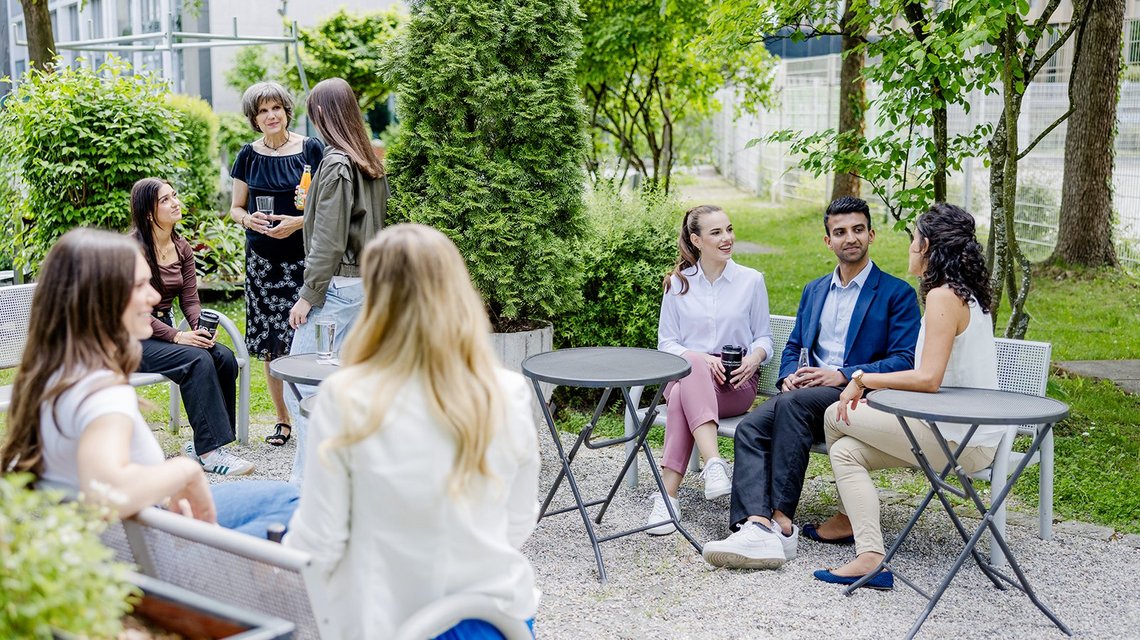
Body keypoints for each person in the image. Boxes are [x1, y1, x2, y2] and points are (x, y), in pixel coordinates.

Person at [284, 224, 539, 639]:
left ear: (377, 299)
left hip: (387, 622)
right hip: (495, 619)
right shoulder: (507, 391)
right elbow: (518, 520)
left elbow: (319, 542)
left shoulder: (346, 397)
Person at [0, 228, 298, 537]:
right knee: (292, 502)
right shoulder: (101, 394)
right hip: (158, 547)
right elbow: (107, 493)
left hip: (134, 535)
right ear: (100, 297)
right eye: (140, 285)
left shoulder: (50, 376)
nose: (155, 297)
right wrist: (186, 470)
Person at [701, 196, 922, 570]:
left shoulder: (896, 294)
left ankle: (781, 521)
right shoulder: (815, 290)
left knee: (792, 406)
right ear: (828, 241)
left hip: (855, 395)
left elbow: (905, 359)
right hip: (805, 394)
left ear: (871, 235)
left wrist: (844, 373)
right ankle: (754, 523)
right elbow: (793, 346)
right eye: (839, 232)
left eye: (856, 230)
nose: (849, 238)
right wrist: (788, 375)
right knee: (751, 428)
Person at [811, 203, 1000, 590]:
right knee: (846, 451)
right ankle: (870, 557)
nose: (911, 247)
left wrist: (863, 379)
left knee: (835, 413)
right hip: (959, 431)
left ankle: (850, 520)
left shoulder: (944, 297)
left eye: (914, 240)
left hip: (959, 439)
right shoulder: (966, 293)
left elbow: (928, 378)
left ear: (927, 245)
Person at [645, 204, 773, 535]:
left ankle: (667, 497)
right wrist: (702, 359)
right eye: (716, 232)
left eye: (729, 229)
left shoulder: (751, 281)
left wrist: (754, 359)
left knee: (678, 398)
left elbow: (763, 338)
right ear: (696, 240)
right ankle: (713, 462)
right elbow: (667, 344)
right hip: (690, 373)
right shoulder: (677, 284)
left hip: (736, 383)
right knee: (691, 369)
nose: (727, 238)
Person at [285, 77, 389, 485]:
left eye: (314, 113)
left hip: (336, 289)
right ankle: (345, 478)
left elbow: (328, 241)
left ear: (325, 114)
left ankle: (307, 485)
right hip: (364, 287)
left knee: (304, 388)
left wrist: (307, 297)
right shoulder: (369, 160)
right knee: (344, 388)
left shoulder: (336, 163)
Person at [130, 177, 255, 476]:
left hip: (164, 334)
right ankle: (210, 453)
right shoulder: (131, 250)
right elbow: (133, 310)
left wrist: (199, 329)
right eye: (165, 200)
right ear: (149, 212)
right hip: (131, 339)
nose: (175, 202)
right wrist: (177, 336)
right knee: (195, 359)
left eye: (174, 195)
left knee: (221, 356)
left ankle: (206, 444)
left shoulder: (181, 247)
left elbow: (190, 299)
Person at [229, 81, 325, 448]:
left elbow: (324, 207)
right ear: (254, 118)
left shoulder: (311, 149)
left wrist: (296, 223)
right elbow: (236, 207)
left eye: (276, 109)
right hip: (262, 265)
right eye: (262, 111)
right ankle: (282, 420)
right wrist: (246, 220)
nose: (270, 116)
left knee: (305, 339)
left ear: (287, 111)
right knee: (272, 346)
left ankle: (312, 416)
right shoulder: (247, 155)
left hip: (303, 261)